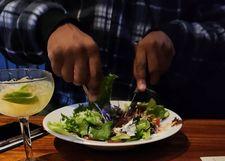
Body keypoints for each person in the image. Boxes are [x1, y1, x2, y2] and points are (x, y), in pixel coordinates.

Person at [0, 1, 225, 117]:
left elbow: (219, 29)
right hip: (63, 121)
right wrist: (47, 24)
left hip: (170, 123)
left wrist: (177, 37)